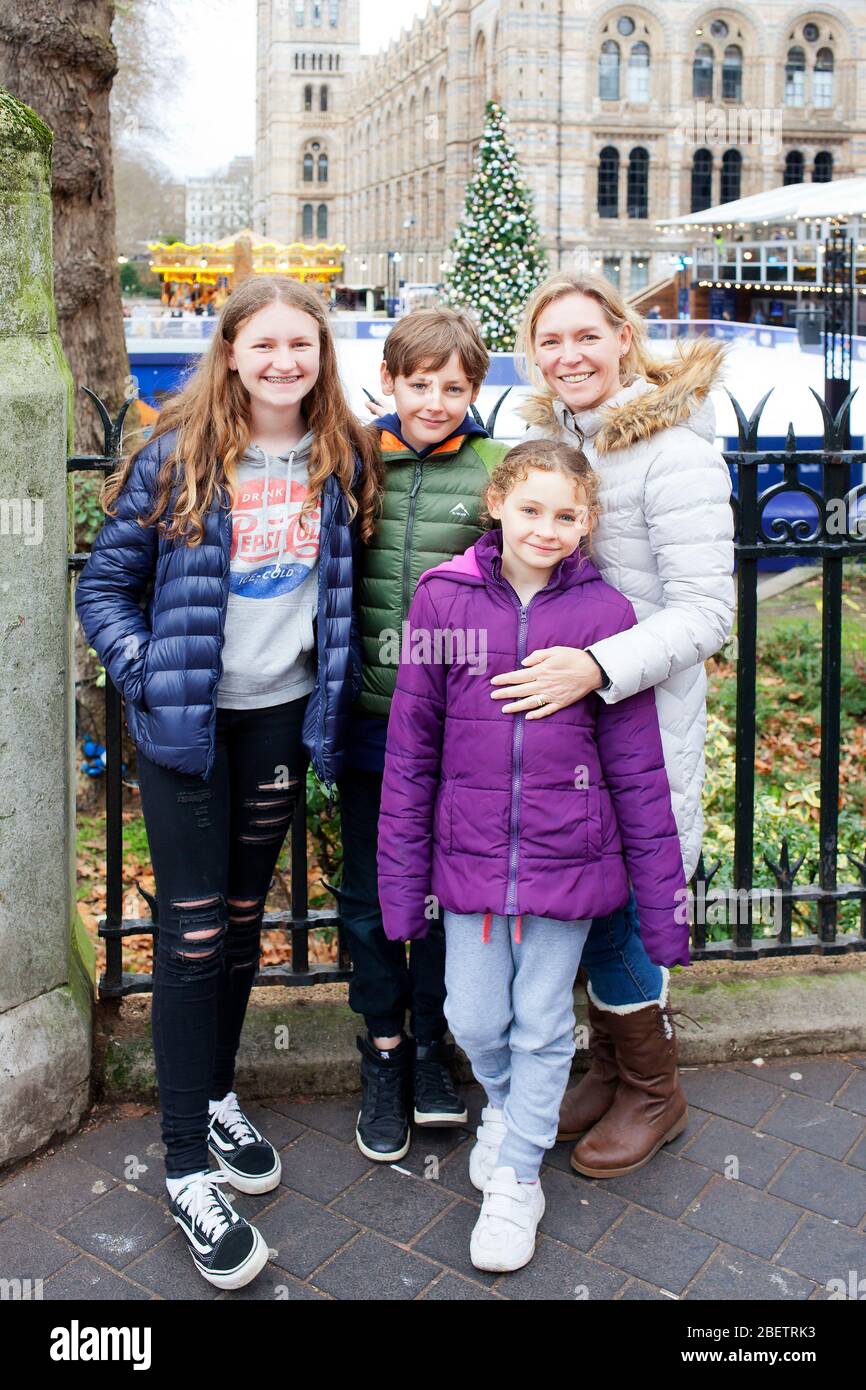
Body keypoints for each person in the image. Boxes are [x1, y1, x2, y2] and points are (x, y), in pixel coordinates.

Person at [75, 276, 379, 1291]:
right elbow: (103, 583)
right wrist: (144, 669)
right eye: (265, 345)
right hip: (190, 729)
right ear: (233, 352)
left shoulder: (342, 454)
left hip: (280, 721)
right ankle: (183, 1166)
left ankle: (208, 1091)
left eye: (302, 344)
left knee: (245, 917)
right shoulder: (177, 452)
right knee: (194, 929)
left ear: (320, 355)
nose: (284, 361)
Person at [377, 439, 687, 1273]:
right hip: (472, 860)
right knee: (473, 1017)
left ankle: (516, 1181)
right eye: (531, 509)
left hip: (568, 862)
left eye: (566, 514)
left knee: (544, 1022)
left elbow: (635, 766)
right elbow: (412, 750)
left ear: (588, 521)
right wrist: (403, 887)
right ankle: (511, 1115)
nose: (547, 528)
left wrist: (661, 902)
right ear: (497, 505)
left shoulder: (605, 618)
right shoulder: (442, 601)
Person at [495, 271, 734, 1179]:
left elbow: (708, 611)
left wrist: (597, 666)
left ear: (623, 339)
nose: (569, 357)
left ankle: (654, 1090)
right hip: (567, 728)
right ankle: (609, 1068)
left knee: (627, 910)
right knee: (588, 901)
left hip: (634, 724)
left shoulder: (675, 455)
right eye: (550, 343)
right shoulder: (556, 443)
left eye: (586, 337)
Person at [339, 307, 508, 1162]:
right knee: (371, 898)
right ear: (391, 381)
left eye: (454, 386)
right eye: (419, 383)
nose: (435, 400)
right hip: (371, 722)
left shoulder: (492, 470)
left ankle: (436, 1047)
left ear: (474, 389)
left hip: (458, 731)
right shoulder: (354, 460)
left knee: (447, 898)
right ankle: (384, 1050)